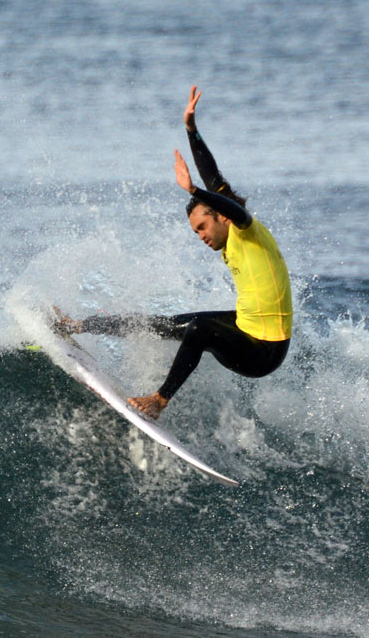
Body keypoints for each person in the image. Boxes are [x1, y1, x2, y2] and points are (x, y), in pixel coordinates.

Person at [56, 86, 292, 419]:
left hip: (264, 352)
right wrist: (191, 130)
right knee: (167, 323)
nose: (200, 237)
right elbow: (214, 175)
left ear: (220, 216)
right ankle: (77, 325)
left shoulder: (246, 229)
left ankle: (159, 400)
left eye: (202, 228)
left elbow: (223, 200)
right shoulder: (225, 223)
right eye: (196, 232)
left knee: (199, 329)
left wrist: (195, 190)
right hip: (245, 327)